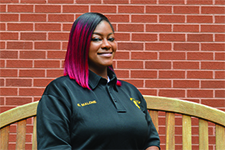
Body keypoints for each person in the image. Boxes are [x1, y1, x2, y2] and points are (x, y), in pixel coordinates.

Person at [37, 12, 160, 150]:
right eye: (96, 39)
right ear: (80, 44)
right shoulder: (60, 91)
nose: (107, 45)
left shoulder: (130, 91)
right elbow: (54, 147)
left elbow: (151, 141)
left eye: (111, 38)